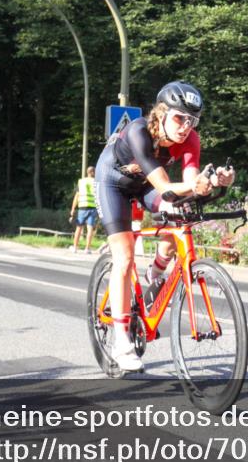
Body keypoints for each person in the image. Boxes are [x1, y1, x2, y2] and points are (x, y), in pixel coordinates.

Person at [93, 81, 235, 372]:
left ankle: (155, 271)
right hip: (112, 182)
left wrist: (214, 183)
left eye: (192, 120)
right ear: (161, 113)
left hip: (144, 185)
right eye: (180, 118)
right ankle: (122, 341)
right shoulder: (139, 131)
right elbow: (165, 186)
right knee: (124, 256)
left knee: (181, 211)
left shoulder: (191, 140)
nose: (186, 126)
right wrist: (192, 186)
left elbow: (189, 188)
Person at [69, 166, 98, 254]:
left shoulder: (81, 182)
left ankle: (75, 247)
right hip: (93, 207)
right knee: (90, 228)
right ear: (93, 172)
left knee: (79, 228)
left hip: (82, 207)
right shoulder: (96, 182)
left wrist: (73, 209)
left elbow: (77, 196)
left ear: (87, 172)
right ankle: (87, 249)